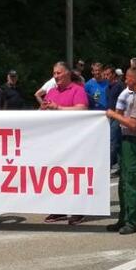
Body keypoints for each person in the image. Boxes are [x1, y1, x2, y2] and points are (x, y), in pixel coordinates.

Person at [40, 62, 89, 224]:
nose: (55, 76)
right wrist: (43, 109)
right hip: (55, 141)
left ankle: (79, 210)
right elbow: (44, 111)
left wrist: (59, 108)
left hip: (74, 140)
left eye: (58, 73)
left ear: (67, 73)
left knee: (75, 175)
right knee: (56, 175)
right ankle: (59, 209)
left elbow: (82, 109)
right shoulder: (51, 91)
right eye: (54, 73)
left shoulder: (78, 90)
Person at [105, 67, 136, 235]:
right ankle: (123, 219)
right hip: (127, 142)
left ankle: (132, 222)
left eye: (128, 78)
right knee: (124, 182)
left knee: (132, 182)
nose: (126, 81)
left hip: (134, 142)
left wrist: (114, 115)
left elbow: (133, 124)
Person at [105, 65, 126, 171]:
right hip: (110, 116)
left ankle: (107, 166)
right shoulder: (107, 87)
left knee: (113, 141)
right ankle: (120, 166)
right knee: (116, 141)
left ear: (113, 74)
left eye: (108, 74)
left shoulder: (120, 86)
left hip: (118, 116)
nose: (106, 76)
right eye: (105, 74)